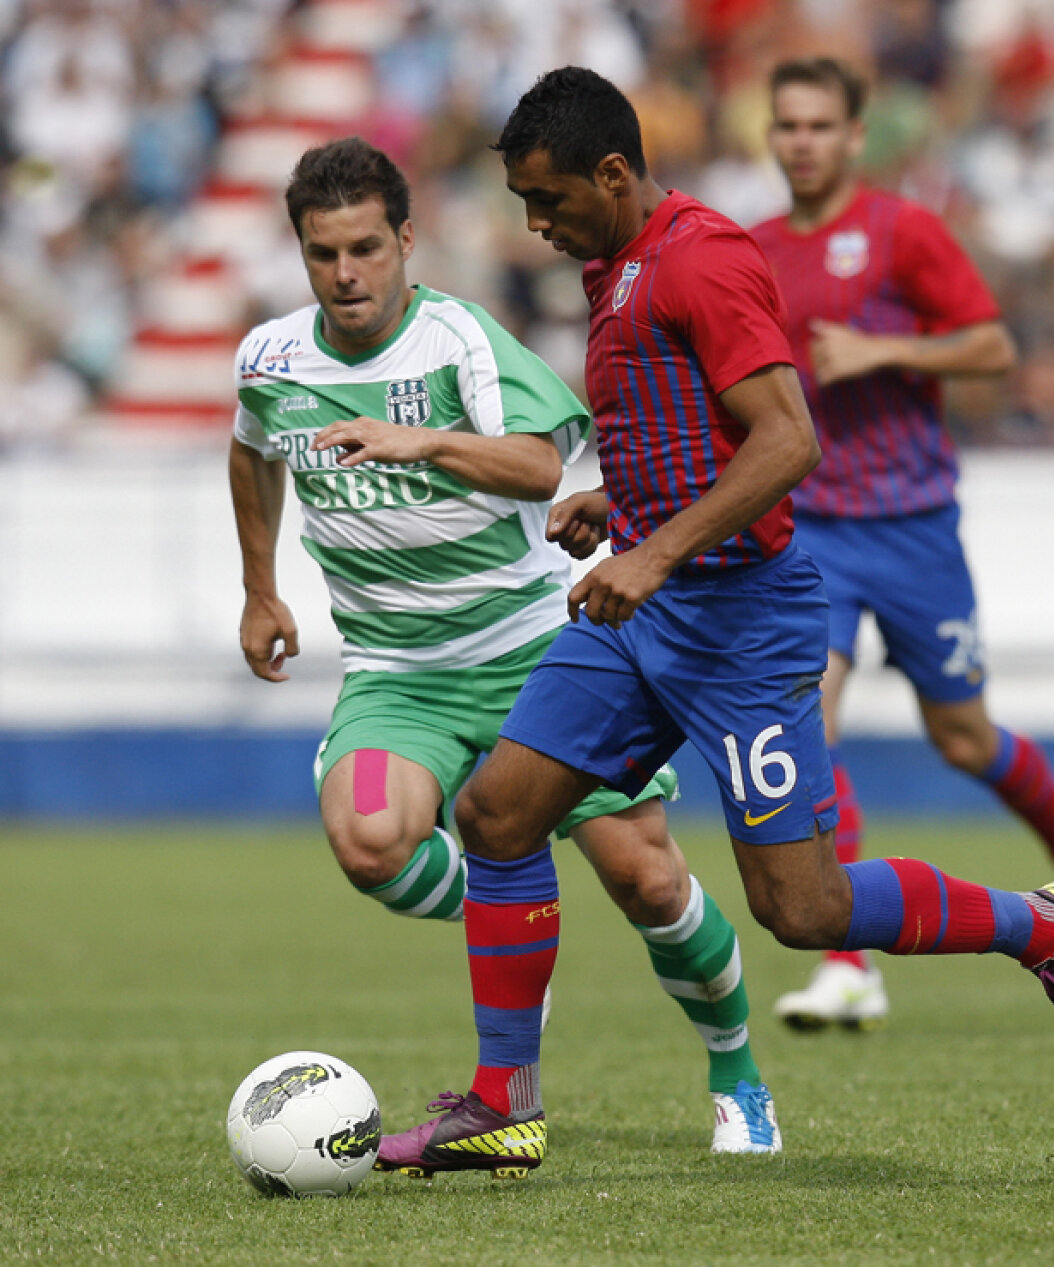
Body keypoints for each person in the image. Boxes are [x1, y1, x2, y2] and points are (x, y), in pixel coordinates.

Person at [381, 66, 1054, 1182]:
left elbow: (786, 441)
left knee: (804, 908)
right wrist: (615, 501)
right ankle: (502, 1105)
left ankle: (1046, 924)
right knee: (496, 813)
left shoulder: (703, 255)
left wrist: (657, 548)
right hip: (642, 614)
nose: (536, 224)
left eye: (550, 199)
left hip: (741, 621)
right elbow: (686, 425)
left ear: (615, 173)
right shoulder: (617, 263)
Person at [228, 136, 782, 1163]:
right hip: (400, 673)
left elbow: (539, 466)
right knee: (368, 845)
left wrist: (423, 439)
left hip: (533, 652)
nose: (345, 273)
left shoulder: (462, 343)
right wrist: (262, 587)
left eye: (363, 247)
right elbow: (252, 452)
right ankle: (512, 895)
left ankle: (738, 1073)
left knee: (651, 884)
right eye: (322, 254)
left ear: (405, 239)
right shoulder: (270, 359)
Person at [750, 58, 1054, 1033]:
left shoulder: (901, 231)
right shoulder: (752, 251)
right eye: (787, 124)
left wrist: (887, 349)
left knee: (962, 736)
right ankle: (848, 964)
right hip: (812, 531)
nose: (802, 142)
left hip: (913, 526)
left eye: (820, 125)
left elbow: (994, 346)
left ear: (854, 134)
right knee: (811, 725)